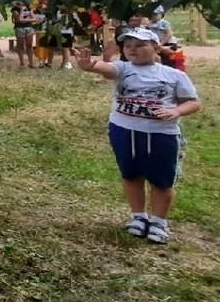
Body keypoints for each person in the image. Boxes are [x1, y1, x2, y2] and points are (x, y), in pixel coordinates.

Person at [76, 28, 201, 244]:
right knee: (131, 175)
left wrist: (176, 111)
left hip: (161, 135)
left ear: (156, 48)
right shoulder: (124, 69)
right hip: (124, 131)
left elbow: (193, 102)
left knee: (161, 180)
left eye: (140, 45)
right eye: (128, 46)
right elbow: (108, 68)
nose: (133, 50)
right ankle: (138, 216)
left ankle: (159, 222)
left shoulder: (174, 75)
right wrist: (91, 66)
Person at [10, 2, 36, 68]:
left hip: (29, 28)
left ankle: (31, 63)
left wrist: (25, 20)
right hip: (19, 28)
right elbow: (19, 19)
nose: (22, 5)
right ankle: (22, 62)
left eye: (23, 3)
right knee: (20, 45)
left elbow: (34, 19)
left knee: (29, 45)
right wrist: (21, 10)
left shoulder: (29, 8)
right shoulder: (15, 10)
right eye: (20, 4)